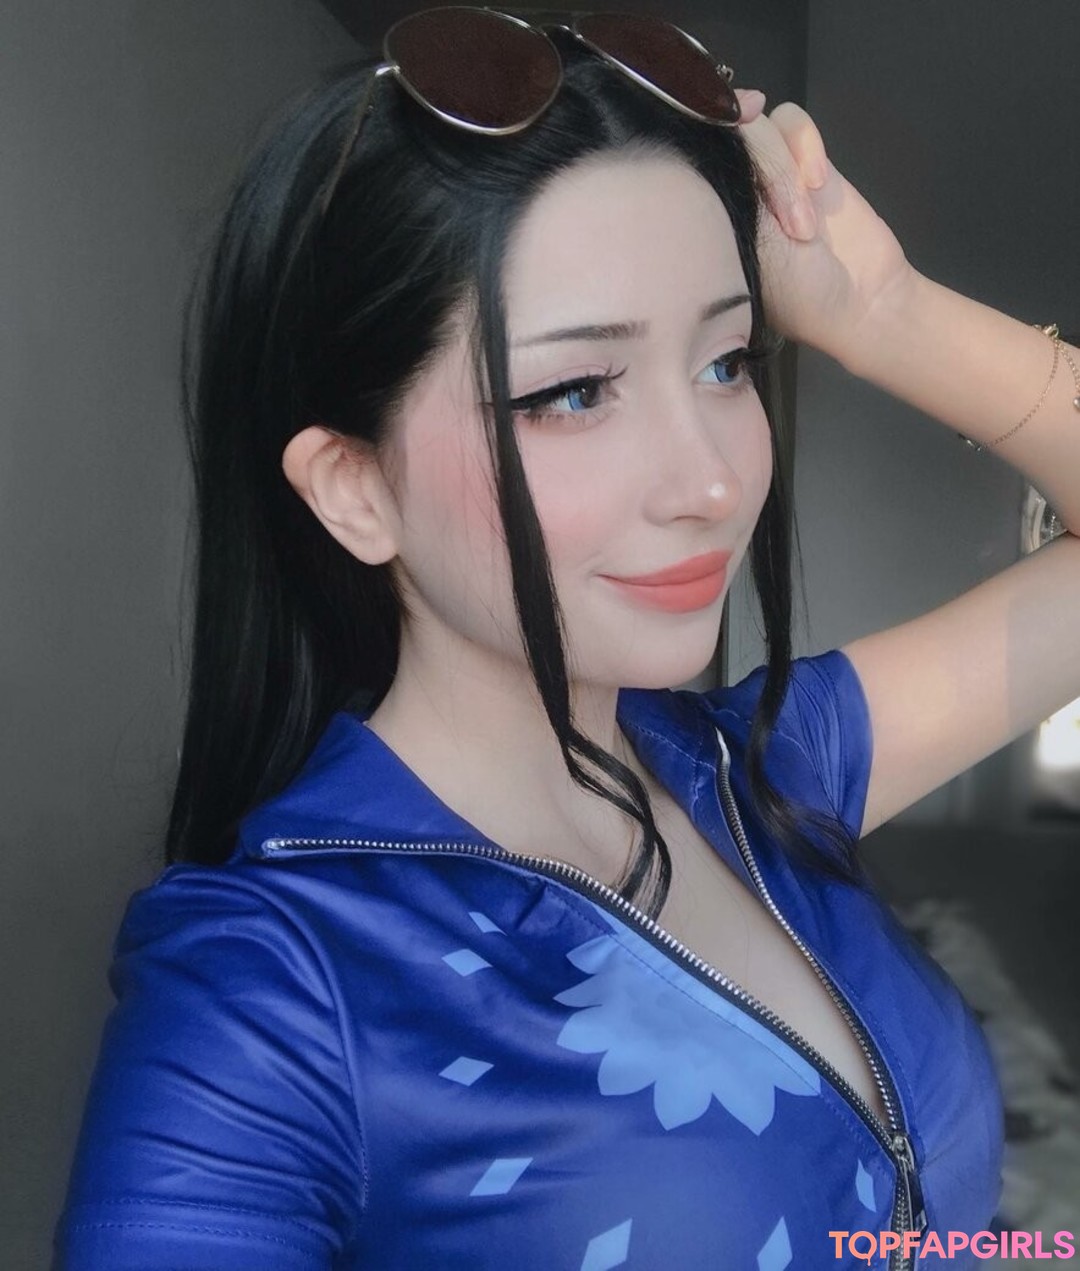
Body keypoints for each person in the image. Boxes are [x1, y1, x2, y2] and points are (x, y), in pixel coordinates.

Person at [53, 9, 1080, 1270]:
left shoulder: (763, 770)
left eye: (727, 361)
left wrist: (886, 310)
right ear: (354, 489)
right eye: (577, 391)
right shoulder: (271, 990)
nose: (712, 482)